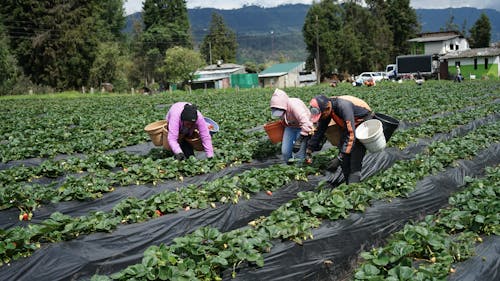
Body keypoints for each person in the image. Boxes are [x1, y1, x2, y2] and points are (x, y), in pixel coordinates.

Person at [307, 95, 374, 184]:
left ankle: (353, 188)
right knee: (345, 160)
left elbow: (351, 133)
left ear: (327, 108)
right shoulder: (327, 109)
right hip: (349, 125)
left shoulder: (343, 107)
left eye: (322, 115)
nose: (322, 117)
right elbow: (320, 130)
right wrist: (310, 148)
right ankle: (348, 183)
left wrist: (340, 157)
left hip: (363, 123)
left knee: (355, 159)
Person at [269, 88, 314, 164]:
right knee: (285, 152)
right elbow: (284, 120)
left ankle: (300, 170)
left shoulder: (295, 106)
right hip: (290, 127)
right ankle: (291, 169)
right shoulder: (280, 107)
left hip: (302, 128)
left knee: (299, 153)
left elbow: (306, 123)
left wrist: (299, 140)